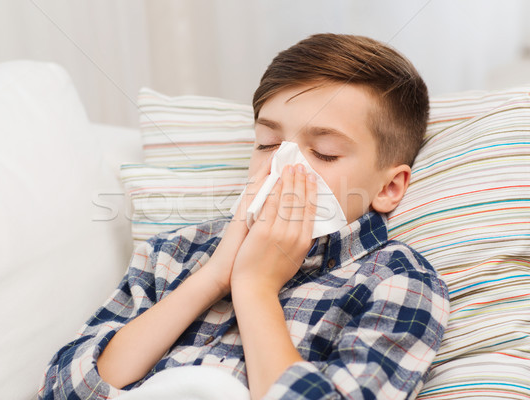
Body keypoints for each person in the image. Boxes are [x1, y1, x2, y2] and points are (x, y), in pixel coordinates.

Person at [38, 33, 450, 400]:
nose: (284, 168)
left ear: (388, 187)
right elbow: (63, 389)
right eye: (269, 143)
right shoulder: (172, 254)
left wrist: (255, 287)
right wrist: (214, 276)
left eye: (324, 152)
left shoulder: (398, 281)